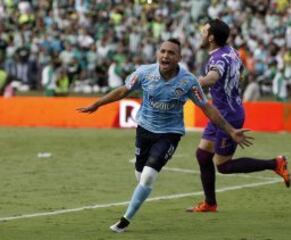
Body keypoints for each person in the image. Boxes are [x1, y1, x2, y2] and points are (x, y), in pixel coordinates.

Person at [77, 38, 254, 233]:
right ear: (157, 54)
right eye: (163, 51)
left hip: (170, 133)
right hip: (144, 130)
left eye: (171, 53)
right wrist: (97, 104)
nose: (165, 55)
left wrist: (230, 130)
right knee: (140, 175)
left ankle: (124, 221)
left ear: (179, 58)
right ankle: (139, 193)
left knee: (148, 177)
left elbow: (207, 108)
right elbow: (123, 91)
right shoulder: (144, 73)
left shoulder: (188, 81)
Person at [186, 19, 291, 213]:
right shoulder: (232, 51)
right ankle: (210, 203)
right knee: (202, 155)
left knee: (223, 166)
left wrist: (191, 83)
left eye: (204, 31)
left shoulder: (218, 58)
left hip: (228, 115)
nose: (201, 33)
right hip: (220, 110)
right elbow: (239, 72)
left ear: (211, 38)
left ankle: (275, 163)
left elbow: (212, 78)